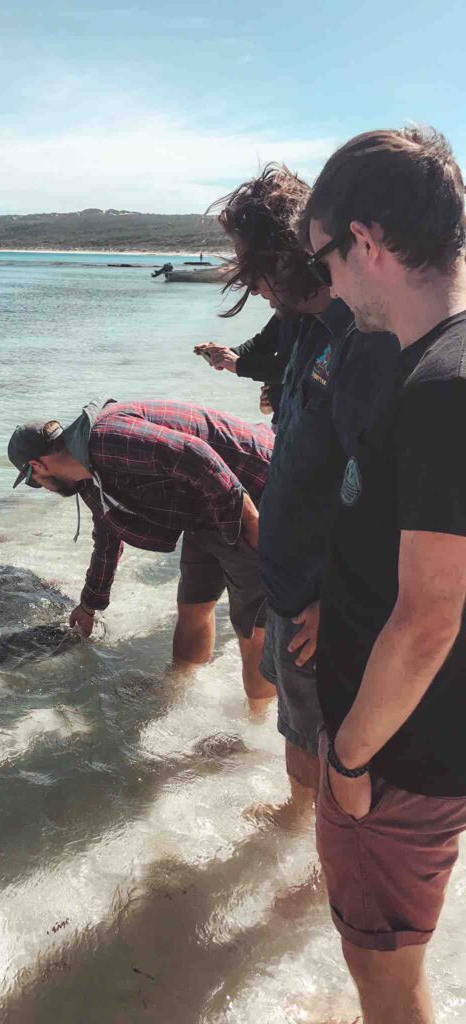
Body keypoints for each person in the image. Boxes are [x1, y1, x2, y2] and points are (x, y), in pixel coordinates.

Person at [301, 126, 466, 1024]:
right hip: (418, 743)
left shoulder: (445, 386)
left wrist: (352, 762)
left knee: (386, 976)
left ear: (365, 242)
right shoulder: (437, 367)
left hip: (400, 760)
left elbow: (429, 617)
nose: (326, 284)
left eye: (325, 259)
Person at [205, 165, 398, 822]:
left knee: (331, 752)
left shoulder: (366, 339)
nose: (252, 284)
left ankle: (320, 870)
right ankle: (293, 840)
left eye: (255, 267)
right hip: (290, 586)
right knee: (297, 735)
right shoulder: (298, 325)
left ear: (290, 254)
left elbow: (399, 493)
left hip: (327, 606)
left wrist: (343, 599)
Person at [7, 399, 276, 703]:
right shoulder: (88, 477)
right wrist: (89, 605)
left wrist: (253, 519)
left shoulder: (108, 441)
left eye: (32, 482)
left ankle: (256, 727)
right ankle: (178, 691)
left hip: (257, 486)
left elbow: (196, 454)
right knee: (193, 604)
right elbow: (108, 538)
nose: (41, 487)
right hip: (208, 506)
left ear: (38, 466)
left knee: (253, 627)